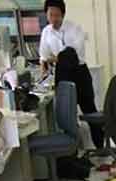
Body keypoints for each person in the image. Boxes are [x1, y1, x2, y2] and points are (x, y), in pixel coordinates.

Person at [39, 0, 104, 148]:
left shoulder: (74, 28)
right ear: (46, 15)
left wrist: (54, 58)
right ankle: (72, 152)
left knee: (90, 111)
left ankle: (100, 146)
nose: (54, 18)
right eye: (51, 15)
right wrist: (44, 66)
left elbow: (73, 53)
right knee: (67, 114)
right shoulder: (46, 32)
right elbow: (43, 56)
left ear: (63, 14)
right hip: (62, 75)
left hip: (79, 73)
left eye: (57, 15)